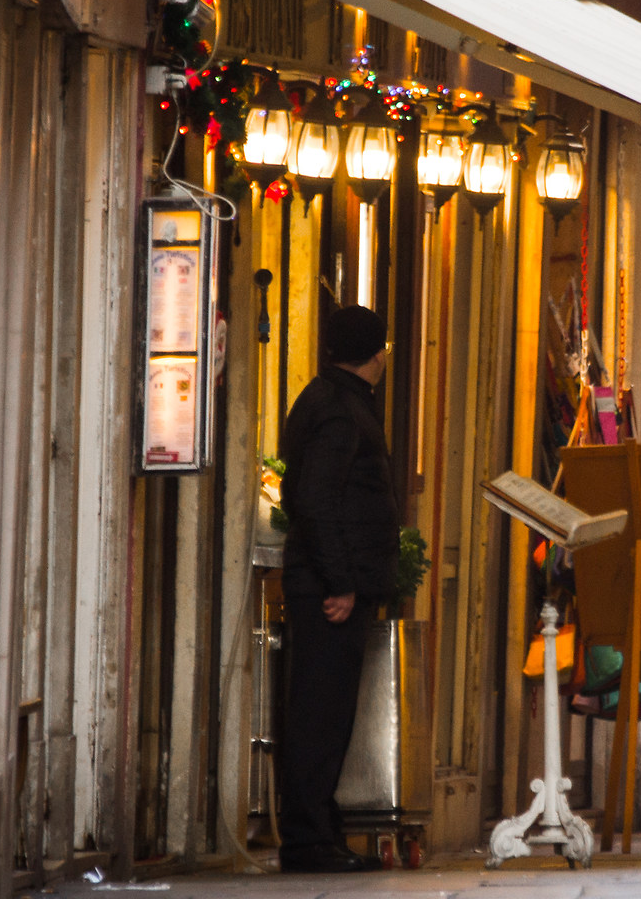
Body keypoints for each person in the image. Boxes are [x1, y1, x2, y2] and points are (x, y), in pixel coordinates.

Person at [275, 304, 401, 873]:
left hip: (327, 581)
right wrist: (342, 583)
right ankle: (308, 841)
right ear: (377, 355)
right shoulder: (342, 412)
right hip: (329, 589)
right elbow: (319, 499)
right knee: (319, 716)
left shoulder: (323, 399)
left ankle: (321, 832)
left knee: (326, 714)